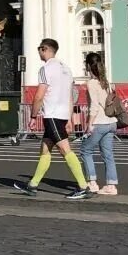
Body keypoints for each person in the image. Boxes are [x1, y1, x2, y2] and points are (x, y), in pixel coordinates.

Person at [14, 39, 92, 200]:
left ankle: (83, 187)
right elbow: (71, 97)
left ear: (44, 49)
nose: (38, 52)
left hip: (52, 115)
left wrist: (33, 116)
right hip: (62, 115)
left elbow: (39, 96)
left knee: (65, 150)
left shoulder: (45, 69)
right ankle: (32, 185)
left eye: (39, 49)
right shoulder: (66, 69)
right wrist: (69, 118)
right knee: (45, 149)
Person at [79, 53, 119, 195]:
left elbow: (94, 106)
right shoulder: (106, 82)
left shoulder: (91, 83)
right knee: (108, 154)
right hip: (111, 122)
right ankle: (111, 185)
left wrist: (89, 124)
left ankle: (92, 182)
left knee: (85, 151)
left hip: (99, 123)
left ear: (88, 66)